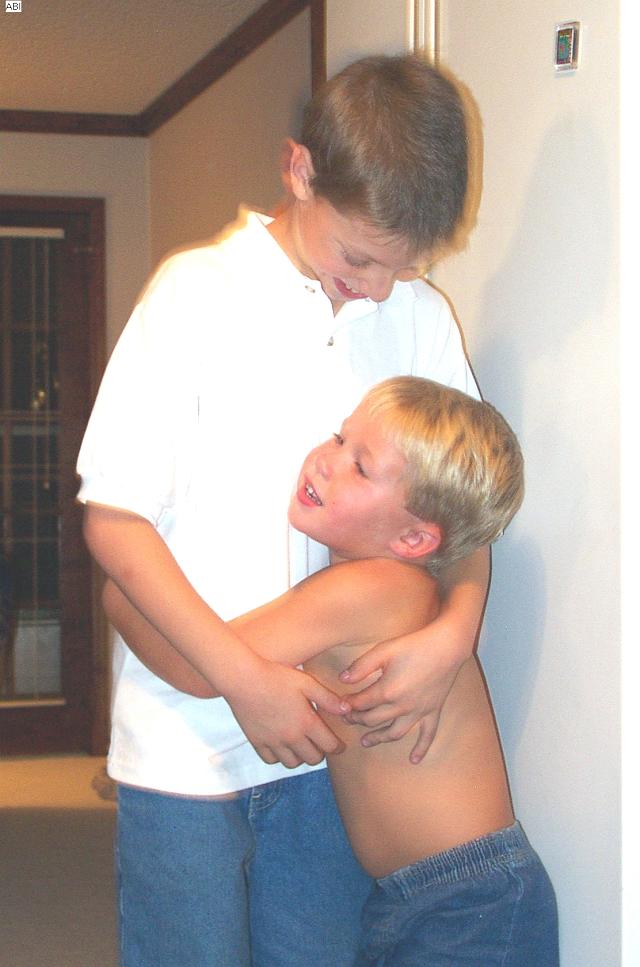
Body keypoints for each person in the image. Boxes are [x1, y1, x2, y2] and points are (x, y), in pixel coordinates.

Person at [78, 54, 489, 966]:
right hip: (182, 750)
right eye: (359, 258)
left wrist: (453, 635)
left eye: (404, 266)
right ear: (298, 170)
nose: (378, 288)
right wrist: (245, 681)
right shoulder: (195, 294)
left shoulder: (419, 318)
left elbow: (463, 519)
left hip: (334, 750)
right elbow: (115, 518)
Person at [104, 377, 559, 967]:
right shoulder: (381, 584)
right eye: (340, 439)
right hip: (424, 895)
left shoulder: (368, 589)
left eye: (360, 467)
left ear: (414, 537)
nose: (326, 459)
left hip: (467, 905)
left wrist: (120, 597)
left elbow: (199, 670)